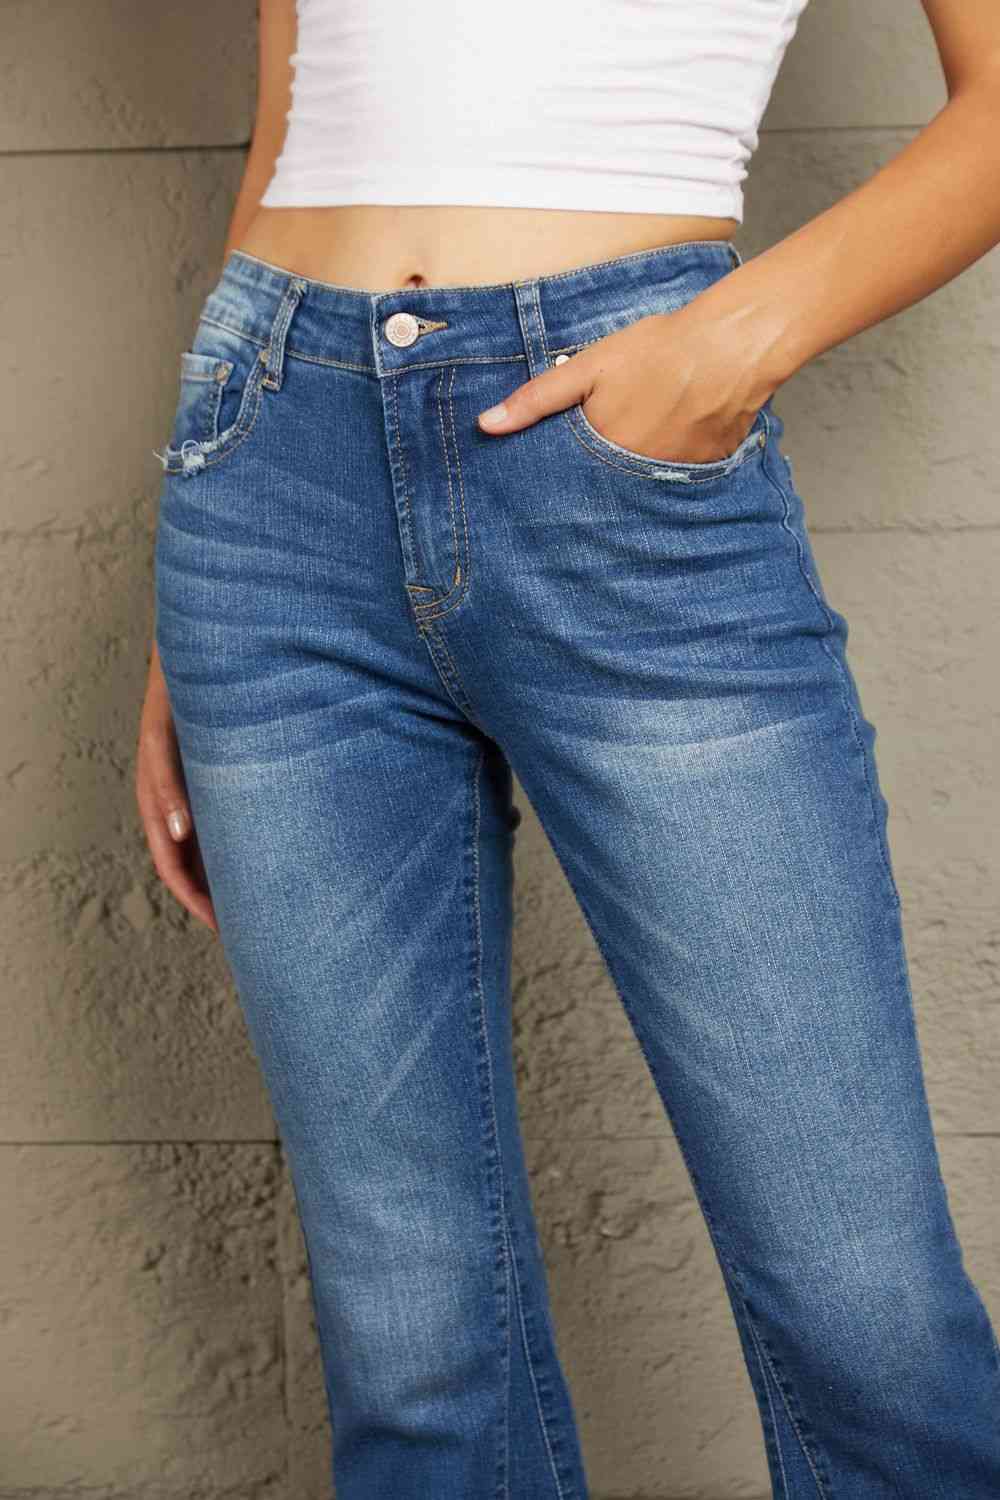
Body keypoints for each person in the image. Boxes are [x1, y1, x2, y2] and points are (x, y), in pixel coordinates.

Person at [136, 1, 1000, 1495]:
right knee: (411, 1345)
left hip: (623, 456)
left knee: (864, 1313)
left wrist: (725, 345)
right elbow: (297, 110)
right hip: (270, 471)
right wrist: (189, 598)